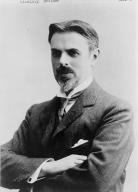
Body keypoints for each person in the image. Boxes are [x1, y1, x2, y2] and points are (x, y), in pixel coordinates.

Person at [0, 20, 134, 192]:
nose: (62, 61)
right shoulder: (36, 113)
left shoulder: (116, 111)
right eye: (56, 53)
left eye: (72, 53)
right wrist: (47, 167)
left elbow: (96, 182)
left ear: (93, 56)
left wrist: (32, 181)